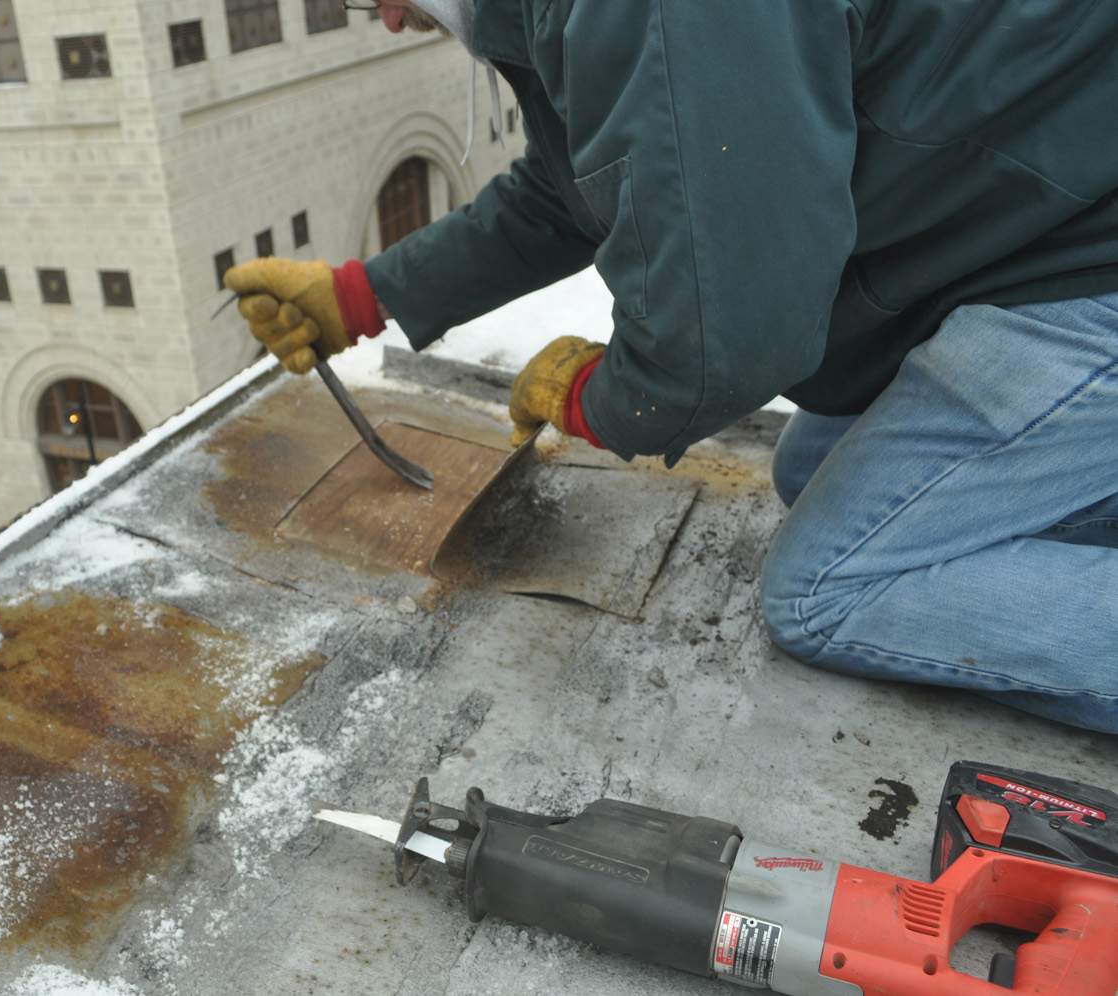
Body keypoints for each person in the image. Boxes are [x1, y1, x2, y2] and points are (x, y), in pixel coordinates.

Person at [225, 0, 1118, 734]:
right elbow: (574, 186)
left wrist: (600, 401)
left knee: (832, 587)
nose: (378, 21)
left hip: (1080, 259)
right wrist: (362, 294)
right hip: (1024, 223)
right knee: (813, 471)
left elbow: (721, 348)